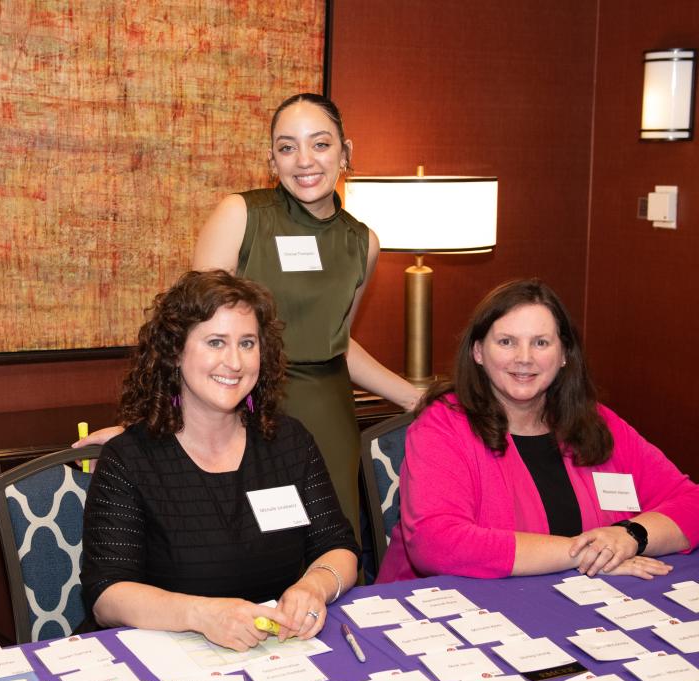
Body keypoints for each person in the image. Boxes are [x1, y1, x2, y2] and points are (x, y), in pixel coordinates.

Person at [80, 270, 360, 651]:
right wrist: (204, 615)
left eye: (247, 343)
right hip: (165, 657)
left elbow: (338, 546)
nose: (234, 361)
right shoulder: (130, 459)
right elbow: (107, 594)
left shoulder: (289, 442)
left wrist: (315, 586)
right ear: (176, 352)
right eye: (215, 342)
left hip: (274, 651)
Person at [192, 92, 422, 537]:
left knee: (331, 546)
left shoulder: (363, 243)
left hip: (329, 414)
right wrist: (150, 425)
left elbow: (338, 343)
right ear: (271, 160)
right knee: (252, 546)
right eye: (287, 147)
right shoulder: (241, 215)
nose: (304, 161)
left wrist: (416, 398)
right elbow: (192, 335)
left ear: (345, 152)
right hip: (245, 407)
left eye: (319, 144)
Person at [377, 278, 699, 583]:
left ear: (563, 355)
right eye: (507, 342)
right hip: (447, 616)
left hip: (583, 608)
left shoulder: (595, 422)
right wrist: (587, 553)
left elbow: (691, 503)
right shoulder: (443, 426)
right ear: (477, 351)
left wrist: (630, 535)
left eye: (541, 342)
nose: (524, 358)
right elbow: (437, 544)